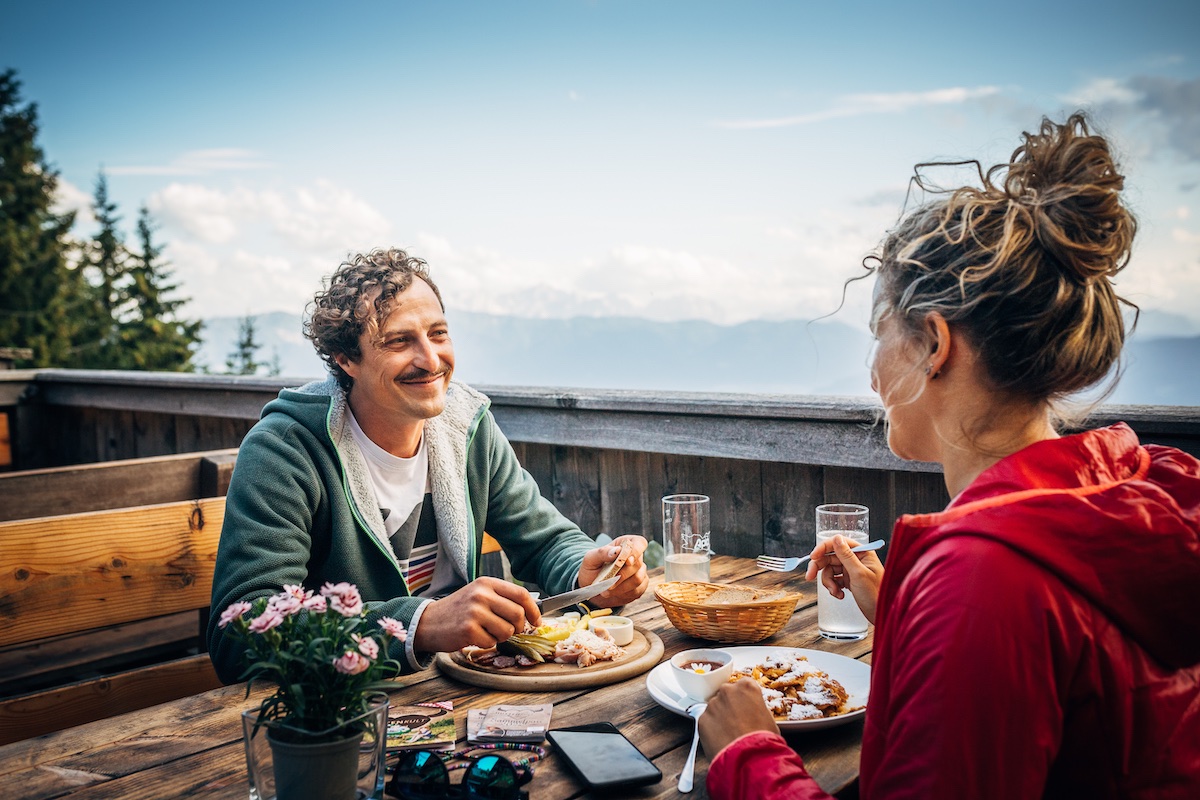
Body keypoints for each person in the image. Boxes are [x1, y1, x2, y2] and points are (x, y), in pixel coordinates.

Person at [699, 113, 1200, 798]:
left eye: (881, 333)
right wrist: (907, 608)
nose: (872, 370)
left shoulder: (986, 579)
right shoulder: (1134, 487)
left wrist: (747, 752)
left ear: (935, 343)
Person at [207, 248, 649, 681]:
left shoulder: (468, 429)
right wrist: (423, 624)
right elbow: (239, 630)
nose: (431, 360)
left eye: (438, 334)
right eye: (399, 341)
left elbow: (544, 540)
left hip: (464, 687)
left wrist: (586, 573)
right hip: (345, 713)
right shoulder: (285, 450)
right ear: (346, 360)